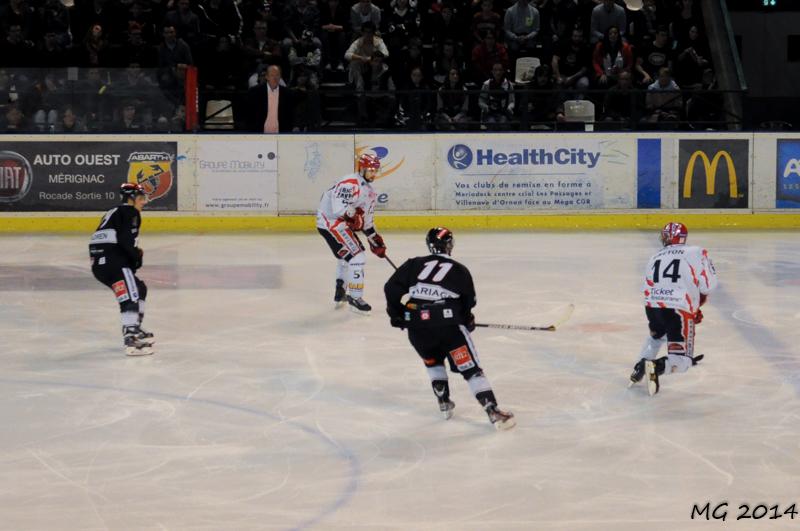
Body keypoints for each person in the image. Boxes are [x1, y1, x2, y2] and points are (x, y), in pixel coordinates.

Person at [384, 227, 515, 430]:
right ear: (450, 245)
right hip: (448, 328)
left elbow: (390, 288)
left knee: (433, 361)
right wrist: (467, 319)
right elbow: (468, 302)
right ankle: (492, 411)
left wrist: (397, 314)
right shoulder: (459, 269)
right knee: (471, 370)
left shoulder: (413, 264)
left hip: (417, 326)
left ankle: (443, 402)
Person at [628, 222, 717, 395]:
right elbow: (708, 286)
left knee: (657, 337)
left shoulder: (655, 256)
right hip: (678, 309)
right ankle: (657, 366)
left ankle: (640, 366)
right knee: (682, 361)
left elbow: (647, 286)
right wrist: (691, 309)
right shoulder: (696, 252)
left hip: (653, 307)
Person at [316, 153, 388, 314]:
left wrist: (375, 239)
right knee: (357, 256)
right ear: (361, 169)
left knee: (347, 256)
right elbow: (339, 209)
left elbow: (367, 222)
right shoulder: (349, 183)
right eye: (370, 170)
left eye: (375, 170)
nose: (373, 174)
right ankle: (356, 297)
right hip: (330, 222)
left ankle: (340, 290)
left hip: (339, 224)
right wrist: (355, 216)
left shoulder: (370, 192)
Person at [89, 183, 154, 356]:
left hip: (100, 265)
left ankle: (135, 327)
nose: (144, 202)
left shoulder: (113, 213)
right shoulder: (131, 213)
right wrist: (135, 258)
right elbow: (126, 241)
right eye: (141, 198)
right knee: (131, 295)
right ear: (131, 199)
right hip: (115, 262)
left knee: (139, 288)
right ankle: (131, 338)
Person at [246, 65, 294, 132]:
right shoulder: (254, 92)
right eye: (272, 75)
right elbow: (249, 115)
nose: (275, 78)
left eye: (277, 75)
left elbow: (290, 116)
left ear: (280, 77)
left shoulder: (287, 93)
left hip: (281, 134)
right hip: (259, 133)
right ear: (267, 77)